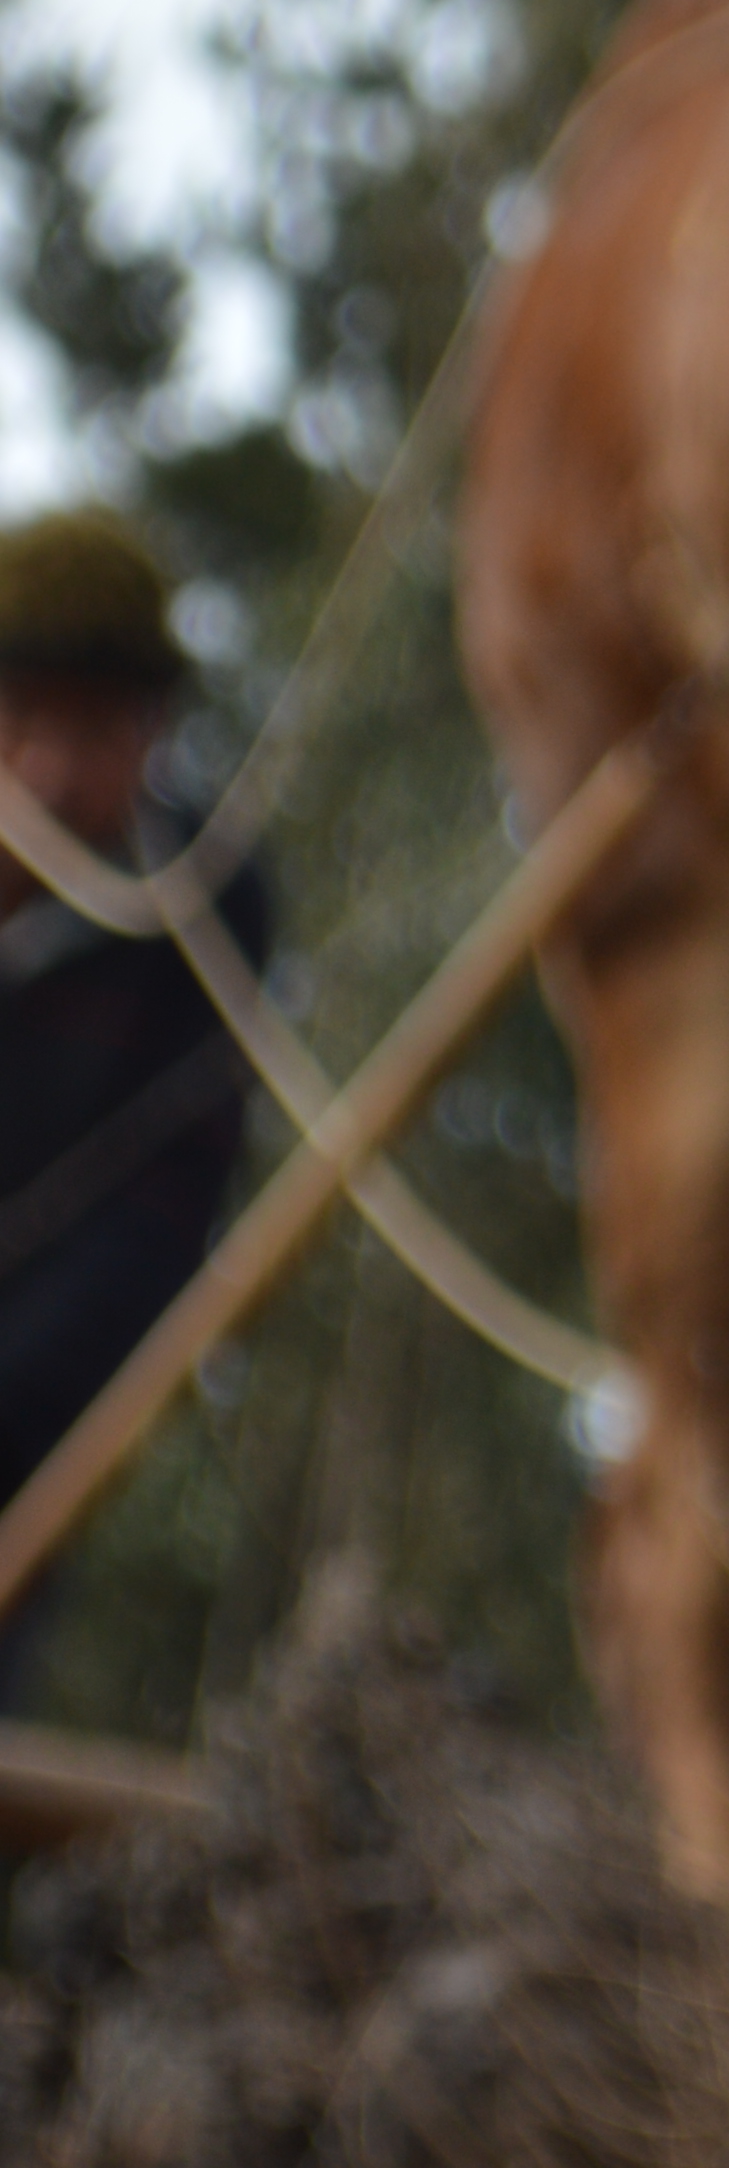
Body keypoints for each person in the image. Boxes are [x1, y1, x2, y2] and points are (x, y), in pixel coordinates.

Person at [0, 503, 262, 1713]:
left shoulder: (204, 914)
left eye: (94, 728)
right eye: (20, 717)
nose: (50, 773)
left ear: (154, 730)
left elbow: (154, 1228)